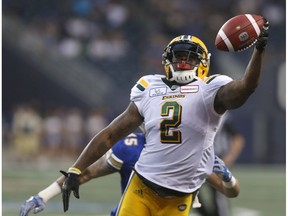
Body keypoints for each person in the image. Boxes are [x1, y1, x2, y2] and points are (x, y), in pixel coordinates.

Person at [60, 19, 269, 216]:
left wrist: (258, 51)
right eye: (179, 57)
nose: (184, 62)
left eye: (191, 58)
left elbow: (246, 87)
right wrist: (76, 168)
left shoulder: (210, 89)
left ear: (203, 62)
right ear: (167, 60)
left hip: (180, 195)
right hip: (142, 185)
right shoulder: (150, 87)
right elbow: (111, 133)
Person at [19, 132, 239, 216]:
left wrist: (228, 178)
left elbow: (229, 191)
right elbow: (84, 175)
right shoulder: (129, 146)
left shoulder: (188, 149)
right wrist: (43, 195)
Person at [197, 112, 245, 216]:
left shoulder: (223, 116)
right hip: (195, 161)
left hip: (214, 161)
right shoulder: (192, 112)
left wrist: (229, 157)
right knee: (193, 199)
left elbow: (238, 139)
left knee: (220, 197)